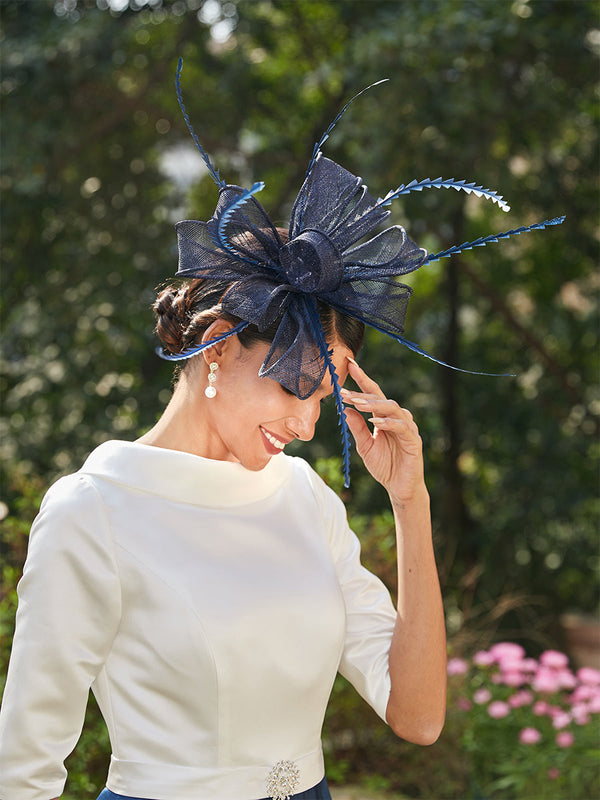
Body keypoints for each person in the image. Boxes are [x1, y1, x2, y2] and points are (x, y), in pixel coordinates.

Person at [0, 63, 563, 800]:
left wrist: (410, 502)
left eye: (324, 398)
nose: (306, 424)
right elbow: (24, 764)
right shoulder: (92, 512)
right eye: (296, 384)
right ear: (221, 345)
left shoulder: (305, 500)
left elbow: (417, 717)